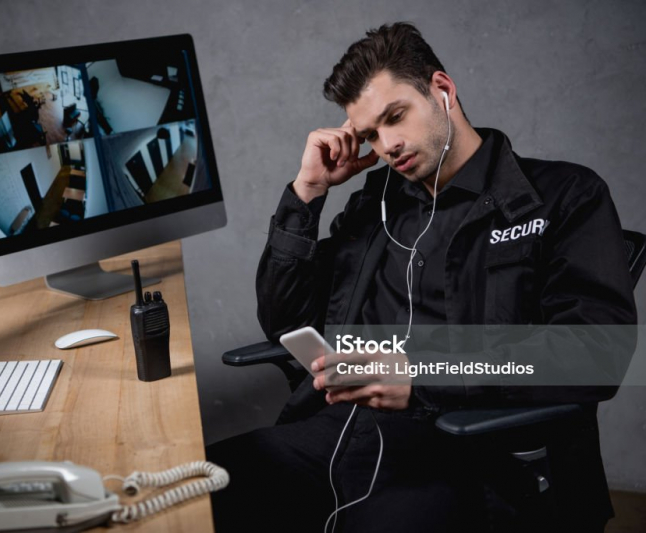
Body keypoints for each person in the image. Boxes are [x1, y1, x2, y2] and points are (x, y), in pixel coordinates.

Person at [206, 22, 637, 533]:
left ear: (442, 90)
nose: (386, 145)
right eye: (369, 134)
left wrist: (423, 375)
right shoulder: (376, 206)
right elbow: (285, 320)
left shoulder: (565, 195)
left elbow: (595, 352)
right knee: (195, 490)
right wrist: (306, 194)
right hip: (340, 432)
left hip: (472, 454)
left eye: (395, 117)